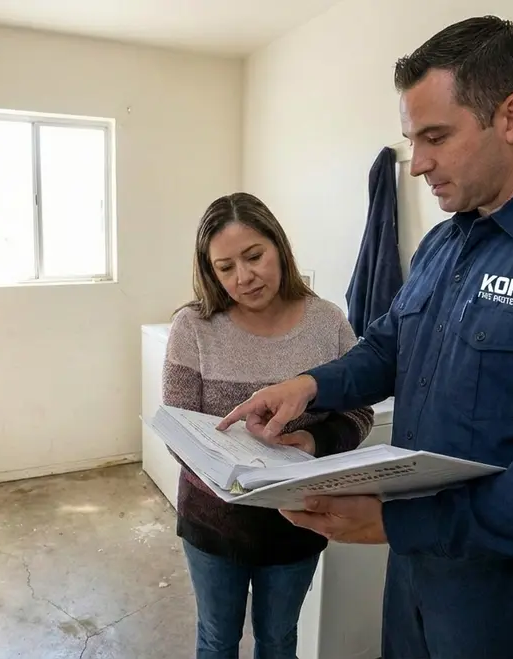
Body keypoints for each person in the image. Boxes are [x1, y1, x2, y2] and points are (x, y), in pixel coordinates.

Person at [218, 16, 513, 659]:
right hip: (421, 577)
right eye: (413, 140)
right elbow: (390, 345)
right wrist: (309, 385)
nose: (418, 166)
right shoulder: (447, 241)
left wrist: (394, 520)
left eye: (436, 137)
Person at [163, 192, 374, 659]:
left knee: (278, 640)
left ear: (278, 246)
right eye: (225, 267)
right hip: (213, 519)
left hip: (297, 519)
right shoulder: (192, 327)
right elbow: (177, 428)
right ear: (210, 271)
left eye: (254, 256)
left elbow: (359, 411)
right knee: (217, 638)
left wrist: (315, 440)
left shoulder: (327, 322)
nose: (244, 277)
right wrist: (236, 480)